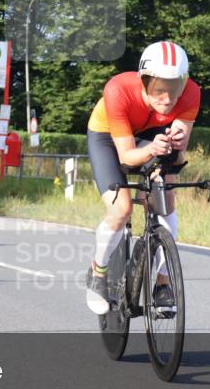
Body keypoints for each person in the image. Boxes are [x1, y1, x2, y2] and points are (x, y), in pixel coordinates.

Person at [84, 40, 200, 314]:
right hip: (108, 139)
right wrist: (150, 149)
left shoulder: (192, 93)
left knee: (164, 199)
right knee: (122, 208)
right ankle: (97, 272)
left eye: (174, 90)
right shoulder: (118, 90)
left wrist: (173, 148)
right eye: (159, 90)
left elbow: (178, 156)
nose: (168, 99)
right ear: (144, 81)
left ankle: (161, 280)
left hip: (151, 135)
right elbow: (125, 157)